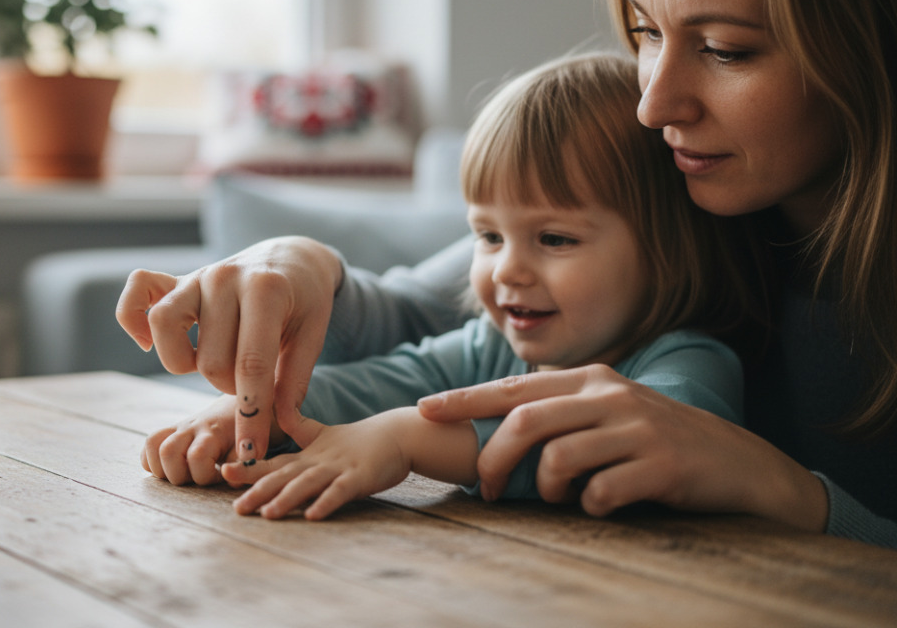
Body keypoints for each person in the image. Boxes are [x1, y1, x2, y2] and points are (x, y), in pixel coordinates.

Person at [116, 0, 897, 546]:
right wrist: (300, 266)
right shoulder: (677, 177)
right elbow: (434, 327)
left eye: (727, 49)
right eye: (647, 32)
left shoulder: (687, 226)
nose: (652, 103)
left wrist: (791, 494)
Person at [151, 53, 746, 520]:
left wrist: (404, 438)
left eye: (555, 239)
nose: (506, 270)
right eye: (488, 236)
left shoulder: (689, 363)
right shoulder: (492, 345)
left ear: (667, 252)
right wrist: (259, 415)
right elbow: (384, 382)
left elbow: (618, 454)